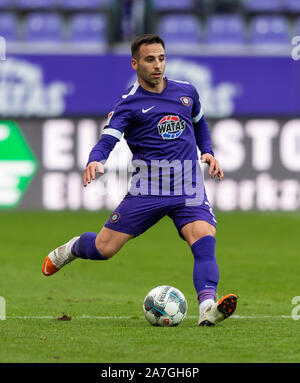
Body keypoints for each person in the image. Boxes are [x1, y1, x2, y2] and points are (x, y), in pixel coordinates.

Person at [42, 34, 237, 326]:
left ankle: (208, 308)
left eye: (161, 58)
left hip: (188, 185)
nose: (157, 65)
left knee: (204, 240)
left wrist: (207, 152)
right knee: (104, 249)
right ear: (135, 63)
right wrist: (95, 159)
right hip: (148, 187)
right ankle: (72, 247)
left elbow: (200, 124)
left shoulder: (187, 92)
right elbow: (108, 138)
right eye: (149, 59)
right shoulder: (128, 104)